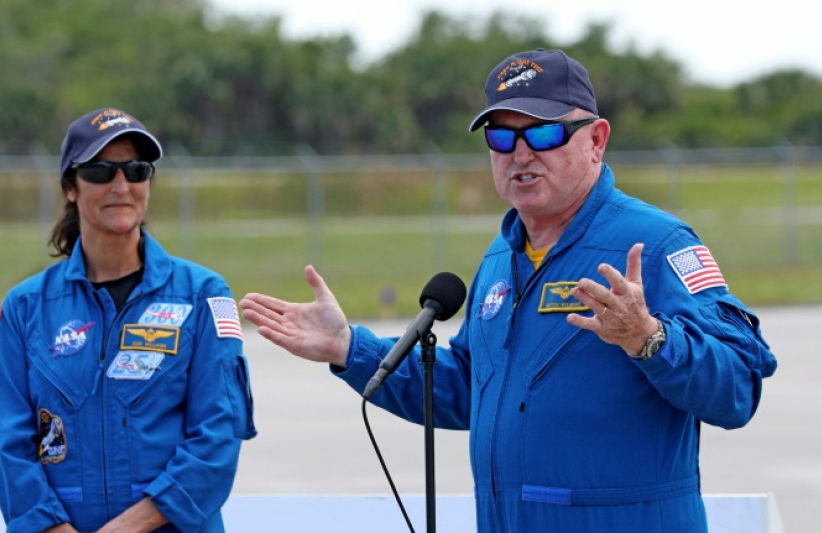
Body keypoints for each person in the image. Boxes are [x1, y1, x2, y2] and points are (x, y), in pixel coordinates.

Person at [239, 49, 777, 532]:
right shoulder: (501, 258)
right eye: (501, 137)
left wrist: (649, 339)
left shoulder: (657, 245)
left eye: (542, 134)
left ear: (596, 140)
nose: (520, 154)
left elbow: (737, 390)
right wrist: (349, 349)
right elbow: (470, 387)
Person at [0, 107, 257, 533]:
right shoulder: (24, 308)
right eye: (100, 171)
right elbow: (11, 448)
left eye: (136, 170)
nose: (121, 185)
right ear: (70, 187)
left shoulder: (204, 295)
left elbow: (217, 437)